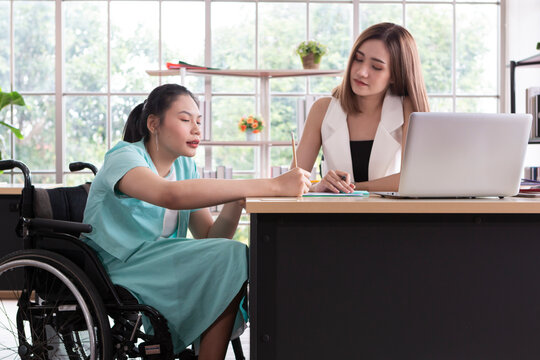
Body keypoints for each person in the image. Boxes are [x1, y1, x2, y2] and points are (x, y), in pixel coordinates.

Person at [81, 83, 311, 360]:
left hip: (155, 261)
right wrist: (270, 185)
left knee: (230, 261)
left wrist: (235, 201)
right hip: (117, 265)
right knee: (233, 257)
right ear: (153, 123)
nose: (196, 129)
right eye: (185, 119)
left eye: (199, 121)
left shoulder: (183, 166)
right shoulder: (124, 157)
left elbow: (211, 237)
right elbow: (169, 195)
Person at [295, 22, 430, 193]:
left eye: (376, 67)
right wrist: (318, 187)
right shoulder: (322, 109)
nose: (361, 72)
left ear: (395, 75)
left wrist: (353, 188)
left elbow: (415, 179)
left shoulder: (407, 109)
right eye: (358, 59)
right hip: (333, 216)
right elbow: (293, 182)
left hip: (392, 216)